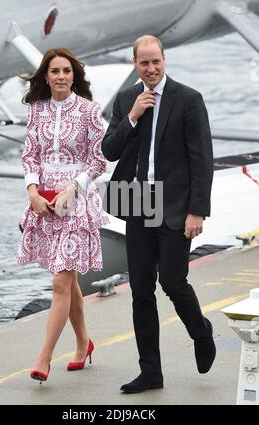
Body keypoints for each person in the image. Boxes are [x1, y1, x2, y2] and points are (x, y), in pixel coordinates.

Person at [102, 35, 216, 394]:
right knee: (140, 290)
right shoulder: (125, 99)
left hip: (174, 205)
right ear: (135, 64)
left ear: (164, 60)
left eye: (156, 62)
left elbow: (202, 160)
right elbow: (109, 151)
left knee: (172, 281)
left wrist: (197, 211)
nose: (150, 69)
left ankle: (201, 331)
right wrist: (133, 116)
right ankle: (151, 372)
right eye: (143, 63)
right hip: (138, 201)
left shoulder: (188, 99)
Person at [17, 48, 109, 382]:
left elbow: (99, 160)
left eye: (66, 71)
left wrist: (74, 187)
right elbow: (30, 156)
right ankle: (84, 342)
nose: (60, 77)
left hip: (78, 202)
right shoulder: (36, 111)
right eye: (54, 71)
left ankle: (44, 358)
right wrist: (32, 192)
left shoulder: (89, 111)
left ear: (74, 75)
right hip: (44, 201)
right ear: (45, 76)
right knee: (66, 282)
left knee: (60, 282)